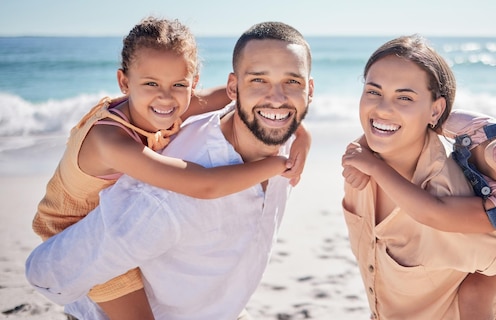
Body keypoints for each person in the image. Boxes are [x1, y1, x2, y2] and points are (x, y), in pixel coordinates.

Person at [26, 20, 314, 319]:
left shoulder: (172, 105)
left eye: (179, 84)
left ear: (193, 82)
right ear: (124, 82)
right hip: (73, 224)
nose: (165, 96)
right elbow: (203, 185)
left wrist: (301, 135)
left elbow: (263, 102)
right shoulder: (110, 141)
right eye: (150, 83)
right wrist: (277, 164)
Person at [340, 34, 496, 320]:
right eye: (373, 92)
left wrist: (495, 273)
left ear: (435, 109)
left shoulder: (455, 206)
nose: (383, 108)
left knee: (477, 294)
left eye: (404, 97)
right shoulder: (361, 162)